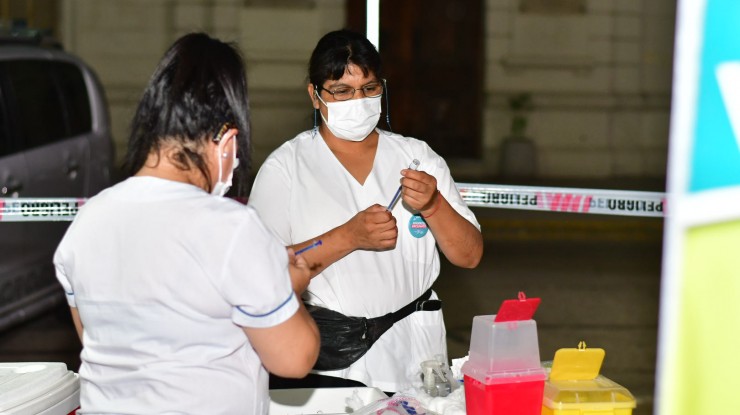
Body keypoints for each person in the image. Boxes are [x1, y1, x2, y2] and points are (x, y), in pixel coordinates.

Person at [53, 33, 320, 413]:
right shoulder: (230, 228)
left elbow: (95, 339)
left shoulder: (87, 221)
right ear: (227, 141)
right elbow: (294, 360)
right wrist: (289, 289)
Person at [248, 29, 484, 393]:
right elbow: (264, 273)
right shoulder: (287, 168)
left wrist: (435, 206)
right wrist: (348, 237)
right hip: (334, 362)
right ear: (315, 95)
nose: (358, 101)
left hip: (416, 352)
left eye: (370, 89)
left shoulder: (416, 157)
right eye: (342, 91)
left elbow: (469, 255)